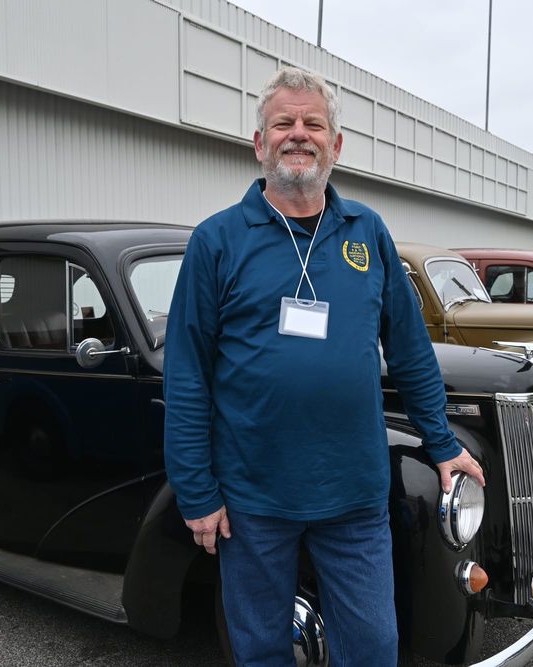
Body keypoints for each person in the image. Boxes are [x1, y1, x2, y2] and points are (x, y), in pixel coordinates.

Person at [163, 66, 484, 666]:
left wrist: (441, 442)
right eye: (282, 122)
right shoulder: (217, 242)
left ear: (335, 146)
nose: (298, 134)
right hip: (253, 497)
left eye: (314, 123)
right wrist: (196, 490)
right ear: (260, 143)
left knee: (373, 648)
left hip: (354, 496)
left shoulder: (368, 233)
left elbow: (410, 348)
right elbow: (187, 374)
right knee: (261, 651)